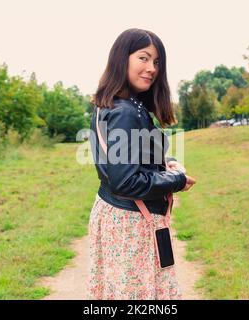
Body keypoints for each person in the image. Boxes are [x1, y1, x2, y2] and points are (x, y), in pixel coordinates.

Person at [88, 28, 196, 300]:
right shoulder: (125, 112)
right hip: (131, 224)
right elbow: (127, 181)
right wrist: (178, 180)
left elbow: (126, 162)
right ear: (122, 58)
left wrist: (165, 164)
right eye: (143, 58)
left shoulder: (116, 103)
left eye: (157, 62)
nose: (152, 68)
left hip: (119, 217)